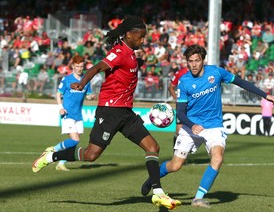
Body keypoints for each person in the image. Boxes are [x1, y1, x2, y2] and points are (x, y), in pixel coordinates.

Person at [32, 16, 181, 210]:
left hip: (126, 113)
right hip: (110, 111)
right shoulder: (118, 52)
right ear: (128, 35)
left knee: (153, 147)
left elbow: (127, 70)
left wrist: (140, 62)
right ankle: (51, 156)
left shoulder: (131, 55)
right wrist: (82, 84)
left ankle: (158, 193)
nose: (143, 40)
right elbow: (97, 67)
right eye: (140, 37)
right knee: (91, 155)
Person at [141, 44, 274, 208]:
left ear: (202, 60)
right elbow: (181, 112)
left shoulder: (216, 72)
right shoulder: (184, 82)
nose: (193, 64)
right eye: (190, 61)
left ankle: (198, 198)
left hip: (214, 126)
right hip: (191, 126)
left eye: (197, 60)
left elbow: (241, 82)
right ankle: (152, 179)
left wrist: (265, 95)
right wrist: (192, 125)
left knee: (218, 157)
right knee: (175, 165)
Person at [46, 55, 95, 171]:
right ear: (73, 66)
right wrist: (60, 107)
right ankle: (54, 149)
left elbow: (88, 95)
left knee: (75, 141)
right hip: (67, 114)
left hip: (78, 114)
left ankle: (61, 163)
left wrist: (91, 97)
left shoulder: (86, 81)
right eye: (77, 66)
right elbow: (58, 94)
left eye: (81, 66)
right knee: (75, 140)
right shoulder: (67, 79)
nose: (79, 68)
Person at [168, 65, 189, 147]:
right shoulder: (180, 73)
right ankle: (176, 152)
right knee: (179, 131)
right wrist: (177, 99)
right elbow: (171, 87)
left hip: (196, 105)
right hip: (183, 104)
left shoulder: (201, 72)